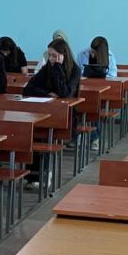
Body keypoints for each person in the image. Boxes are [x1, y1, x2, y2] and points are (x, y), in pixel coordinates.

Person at [22, 39, 81, 190]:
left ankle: (43, 174)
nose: (51, 59)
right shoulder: (48, 67)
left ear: (63, 55)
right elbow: (28, 89)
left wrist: (58, 69)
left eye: (54, 56)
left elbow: (65, 93)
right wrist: (47, 93)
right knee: (35, 133)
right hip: (44, 111)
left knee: (45, 134)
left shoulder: (74, 70)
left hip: (65, 115)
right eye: (49, 55)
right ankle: (33, 176)